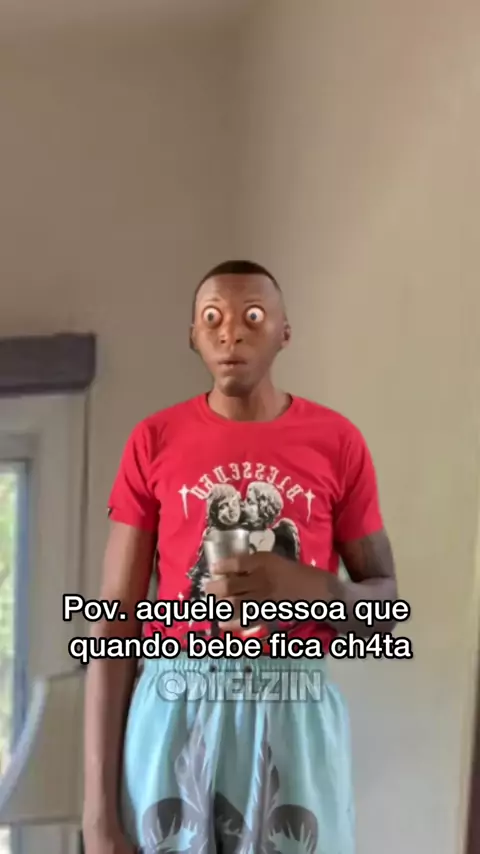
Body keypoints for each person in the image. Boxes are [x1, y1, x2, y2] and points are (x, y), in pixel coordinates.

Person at [82, 260, 397, 854]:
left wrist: (310, 585)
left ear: (285, 331)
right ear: (193, 336)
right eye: (213, 319)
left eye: (252, 317)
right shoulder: (154, 440)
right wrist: (97, 817)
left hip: (295, 707)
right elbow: (114, 623)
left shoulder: (338, 442)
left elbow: (385, 608)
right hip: (174, 701)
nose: (231, 333)